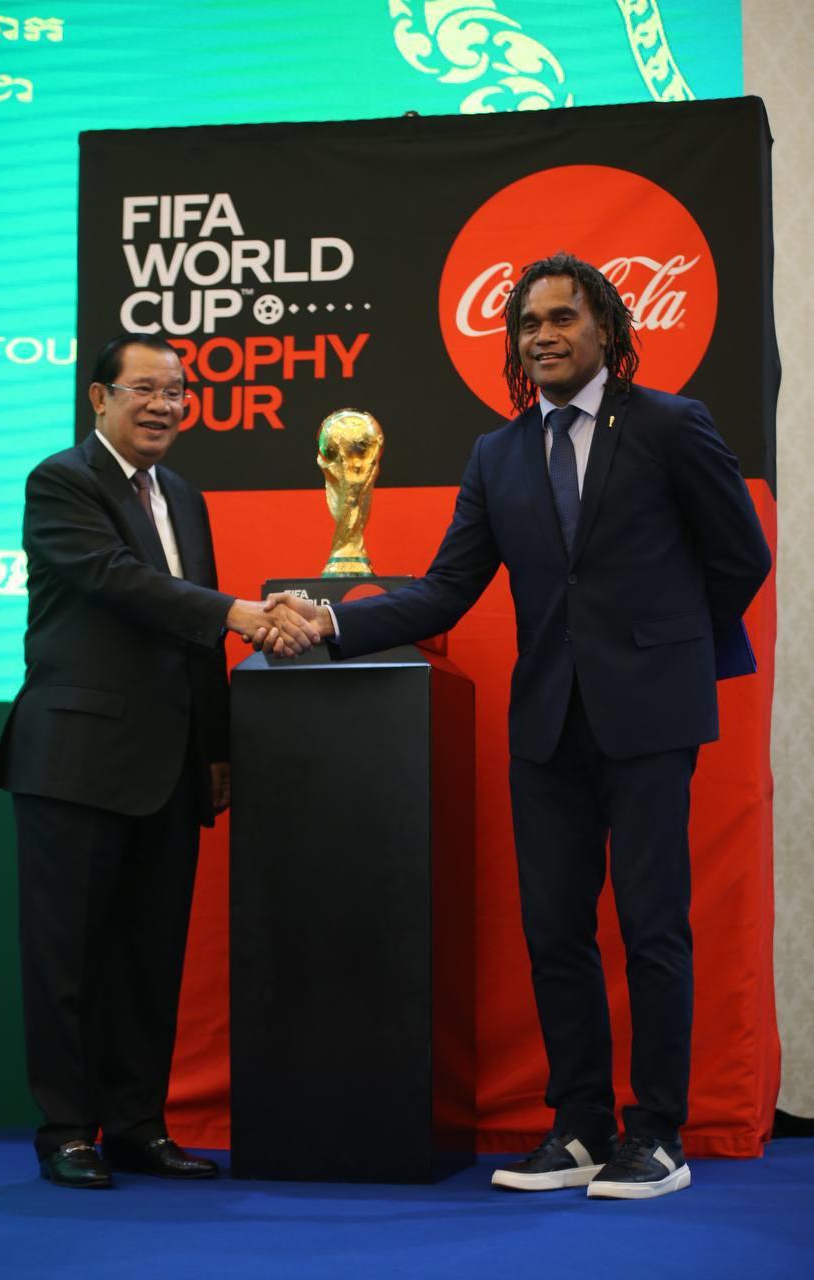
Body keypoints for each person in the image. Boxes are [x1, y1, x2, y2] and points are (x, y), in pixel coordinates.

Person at [258, 254, 772, 1200]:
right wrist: (330, 621)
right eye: (527, 323)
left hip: (649, 719)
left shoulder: (669, 423)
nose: (543, 336)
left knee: (652, 926)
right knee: (553, 932)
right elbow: (447, 589)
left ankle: (657, 1135)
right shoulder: (496, 455)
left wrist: (663, 653)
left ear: (604, 330)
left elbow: (740, 556)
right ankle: (579, 1127)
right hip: (545, 723)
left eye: (561, 318)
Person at [0, 334, 319, 1189]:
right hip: (74, 757)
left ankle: (137, 1126)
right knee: (66, 958)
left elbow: (191, 638)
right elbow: (116, 580)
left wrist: (216, 748)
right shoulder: (61, 480)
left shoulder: (183, 494)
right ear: (99, 399)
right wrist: (243, 611)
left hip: (170, 763)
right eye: (144, 389)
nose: (163, 405)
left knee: (148, 957)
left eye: (175, 392)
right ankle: (67, 1130)